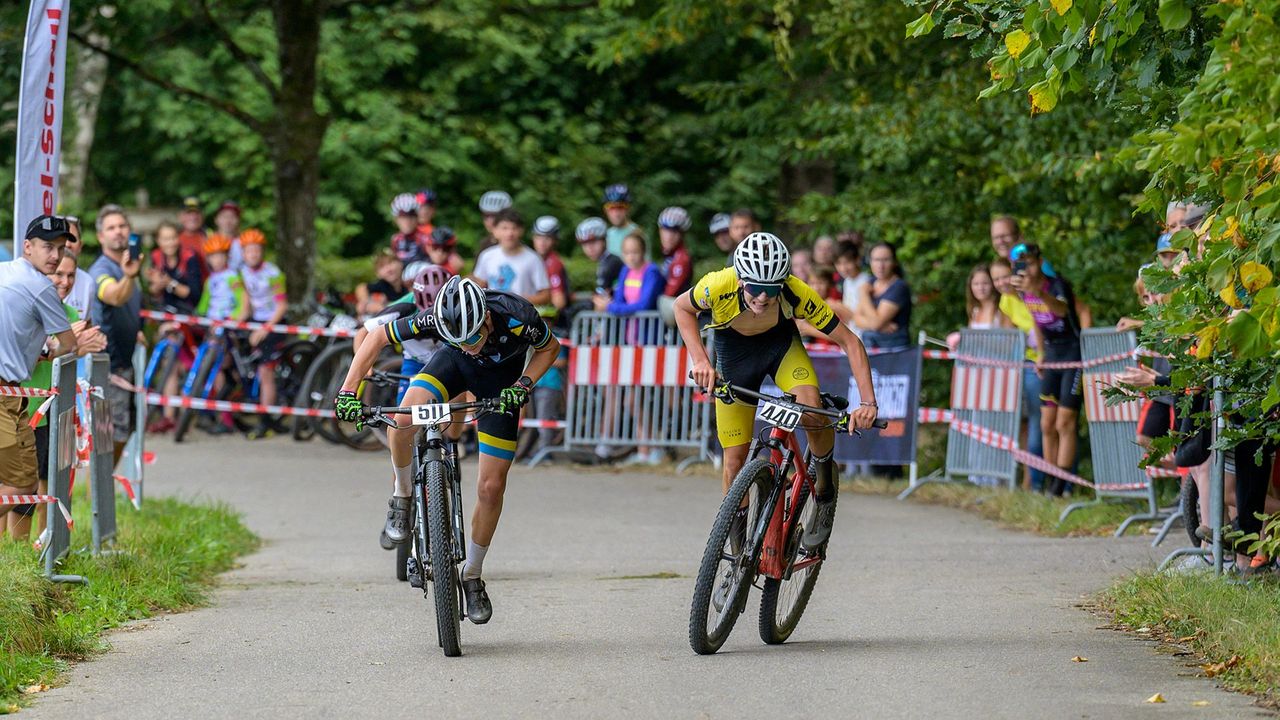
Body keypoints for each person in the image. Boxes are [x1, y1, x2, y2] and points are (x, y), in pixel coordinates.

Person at [334, 276, 562, 624]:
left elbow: (550, 348)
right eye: (458, 338)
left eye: (472, 338)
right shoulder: (441, 321)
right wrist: (348, 391)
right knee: (403, 418)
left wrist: (523, 384)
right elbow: (377, 337)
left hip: (501, 386)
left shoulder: (518, 314)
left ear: (486, 318)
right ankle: (402, 493)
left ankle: (471, 574)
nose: (469, 345)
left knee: (491, 487)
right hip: (450, 368)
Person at [674, 232, 878, 548]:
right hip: (736, 356)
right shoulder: (717, 284)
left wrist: (868, 402)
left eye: (772, 289)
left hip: (780, 348)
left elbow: (850, 341)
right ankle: (738, 555)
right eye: (755, 288)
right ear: (740, 280)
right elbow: (681, 307)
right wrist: (700, 360)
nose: (763, 297)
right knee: (733, 462)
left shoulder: (797, 291)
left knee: (811, 408)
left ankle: (824, 488)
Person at [12, 250, 105, 538]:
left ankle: (45, 552)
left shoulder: (72, 314)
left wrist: (82, 346)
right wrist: (64, 345)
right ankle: (13, 556)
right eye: (58, 274)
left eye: (70, 276)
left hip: (54, 409)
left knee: (49, 485)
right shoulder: (26, 304)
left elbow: (73, 354)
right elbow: (24, 352)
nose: (64, 281)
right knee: (18, 489)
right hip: (22, 406)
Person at [1, 215, 79, 531]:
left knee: (23, 482)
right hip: (5, 394)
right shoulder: (40, 287)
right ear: (28, 246)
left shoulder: (3, 271)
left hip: (13, 394)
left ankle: (9, 557)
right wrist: (49, 351)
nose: (55, 255)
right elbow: (70, 344)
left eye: (61, 248)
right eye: (48, 246)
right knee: (21, 486)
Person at [1009, 243, 1082, 496]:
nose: (1025, 270)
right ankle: (1053, 480)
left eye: (1028, 263)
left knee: (1065, 422)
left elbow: (1061, 310)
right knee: (1047, 424)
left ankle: (1063, 483)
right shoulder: (1022, 291)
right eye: (1019, 265)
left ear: (1039, 262)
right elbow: (1036, 322)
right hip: (1050, 356)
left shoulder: (1056, 284)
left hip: (1073, 355)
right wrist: (1040, 354)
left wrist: (1038, 292)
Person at [89, 205, 144, 463]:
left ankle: (103, 488)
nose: (118, 232)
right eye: (111, 228)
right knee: (106, 437)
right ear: (101, 236)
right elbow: (115, 296)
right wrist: (130, 277)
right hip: (106, 366)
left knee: (125, 429)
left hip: (125, 364)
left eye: (122, 226)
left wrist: (138, 331)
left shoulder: (127, 266)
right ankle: (97, 495)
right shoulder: (102, 270)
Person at [989, 258, 1046, 491]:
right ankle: (1029, 480)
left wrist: (1042, 353)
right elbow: (1008, 334)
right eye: (996, 279)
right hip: (1022, 364)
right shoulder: (1005, 301)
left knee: (1038, 422)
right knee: (1024, 423)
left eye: (1004, 276)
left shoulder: (1029, 294)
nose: (1001, 283)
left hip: (1040, 364)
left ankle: (1039, 482)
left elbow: (1043, 324)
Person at [238, 228, 289, 440]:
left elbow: (282, 306)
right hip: (255, 321)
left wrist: (265, 328)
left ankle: (265, 420)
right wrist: (237, 321)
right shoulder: (242, 272)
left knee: (265, 373)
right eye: (249, 251)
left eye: (256, 250)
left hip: (273, 322)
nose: (253, 255)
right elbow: (246, 302)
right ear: (243, 253)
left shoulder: (273, 273)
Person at [471, 209, 551, 305]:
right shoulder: (486, 256)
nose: (510, 233)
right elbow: (479, 284)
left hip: (522, 316)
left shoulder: (533, 259)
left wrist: (522, 301)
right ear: (495, 231)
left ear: (521, 230)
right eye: (504, 228)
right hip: (493, 314)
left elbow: (546, 295)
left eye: (514, 228)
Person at [851, 242, 912, 350]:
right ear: (870, 261)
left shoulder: (899, 287)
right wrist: (880, 326)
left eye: (885, 260)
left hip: (895, 352)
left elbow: (875, 324)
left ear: (894, 262)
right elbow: (856, 319)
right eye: (876, 260)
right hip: (871, 348)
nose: (880, 265)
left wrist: (864, 294)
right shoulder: (870, 282)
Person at [147, 221, 204, 314]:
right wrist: (157, 285)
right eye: (165, 239)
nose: (170, 243)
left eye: (173, 238)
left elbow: (195, 294)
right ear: (158, 240)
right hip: (164, 309)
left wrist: (169, 283)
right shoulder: (156, 256)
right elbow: (152, 292)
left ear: (179, 237)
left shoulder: (189, 257)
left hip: (188, 310)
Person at [531, 216, 570, 322]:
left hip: (549, 322)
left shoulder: (553, 263)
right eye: (538, 237)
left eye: (547, 238)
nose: (542, 242)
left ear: (555, 241)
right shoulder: (531, 259)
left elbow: (559, 302)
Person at [575, 217, 624, 302]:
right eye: (584, 243)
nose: (589, 248)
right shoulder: (608, 260)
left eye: (593, 242)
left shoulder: (611, 264)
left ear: (604, 240)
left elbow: (601, 299)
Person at [61, 216, 97, 320]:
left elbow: (87, 323)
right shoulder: (37, 279)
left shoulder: (87, 283)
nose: (67, 244)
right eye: (62, 237)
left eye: (72, 239)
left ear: (80, 246)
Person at [354, 251, 405, 318]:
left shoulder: (410, 280)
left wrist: (383, 309)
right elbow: (361, 287)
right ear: (378, 274)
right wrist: (365, 302)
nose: (388, 269)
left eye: (390, 263)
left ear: (400, 263)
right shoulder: (383, 284)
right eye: (382, 267)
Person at [657, 207, 693, 297]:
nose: (668, 237)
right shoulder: (669, 254)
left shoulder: (681, 259)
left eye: (674, 232)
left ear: (682, 234)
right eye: (665, 230)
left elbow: (669, 293)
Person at [389, 193, 428, 265]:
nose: (407, 221)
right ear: (396, 220)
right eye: (403, 217)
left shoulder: (425, 238)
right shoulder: (395, 240)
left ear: (417, 218)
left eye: (411, 217)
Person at [603, 184, 640, 257]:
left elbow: (645, 267)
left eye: (621, 208)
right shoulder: (605, 236)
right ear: (605, 210)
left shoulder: (637, 234)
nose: (616, 213)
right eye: (611, 208)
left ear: (628, 209)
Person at [834, 240, 868, 311]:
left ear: (857, 260)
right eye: (838, 263)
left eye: (847, 262)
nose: (843, 268)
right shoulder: (847, 281)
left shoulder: (865, 281)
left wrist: (838, 307)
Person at [214, 200, 245, 272]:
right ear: (216, 220)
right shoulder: (207, 242)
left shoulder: (245, 243)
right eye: (224, 216)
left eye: (232, 217)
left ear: (238, 220)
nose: (228, 221)